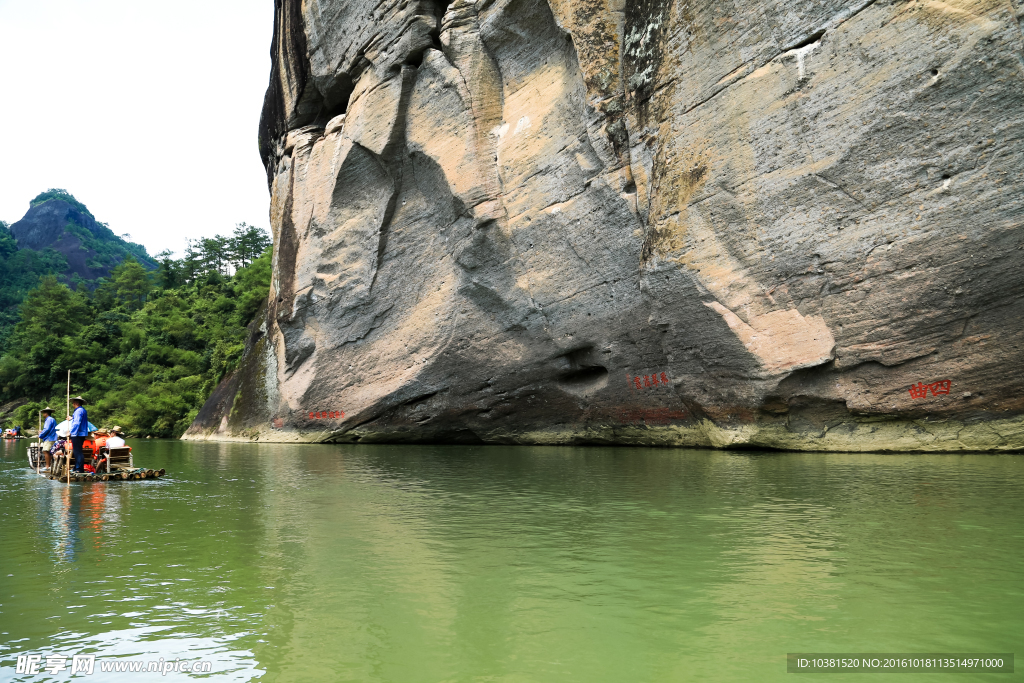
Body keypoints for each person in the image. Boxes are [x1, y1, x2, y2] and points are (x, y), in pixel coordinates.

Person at [68, 396, 90, 473]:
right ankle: (76, 467)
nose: (72, 404)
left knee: (78, 451)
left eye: (73, 403)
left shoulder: (78, 411)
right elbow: (77, 420)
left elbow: (76, 423)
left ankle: (79, 469)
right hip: (82, 433)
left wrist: (71, 432)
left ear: (76, 403)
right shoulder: (82, 410)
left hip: (77, 433)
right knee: (77, 450)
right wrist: (72, 418)